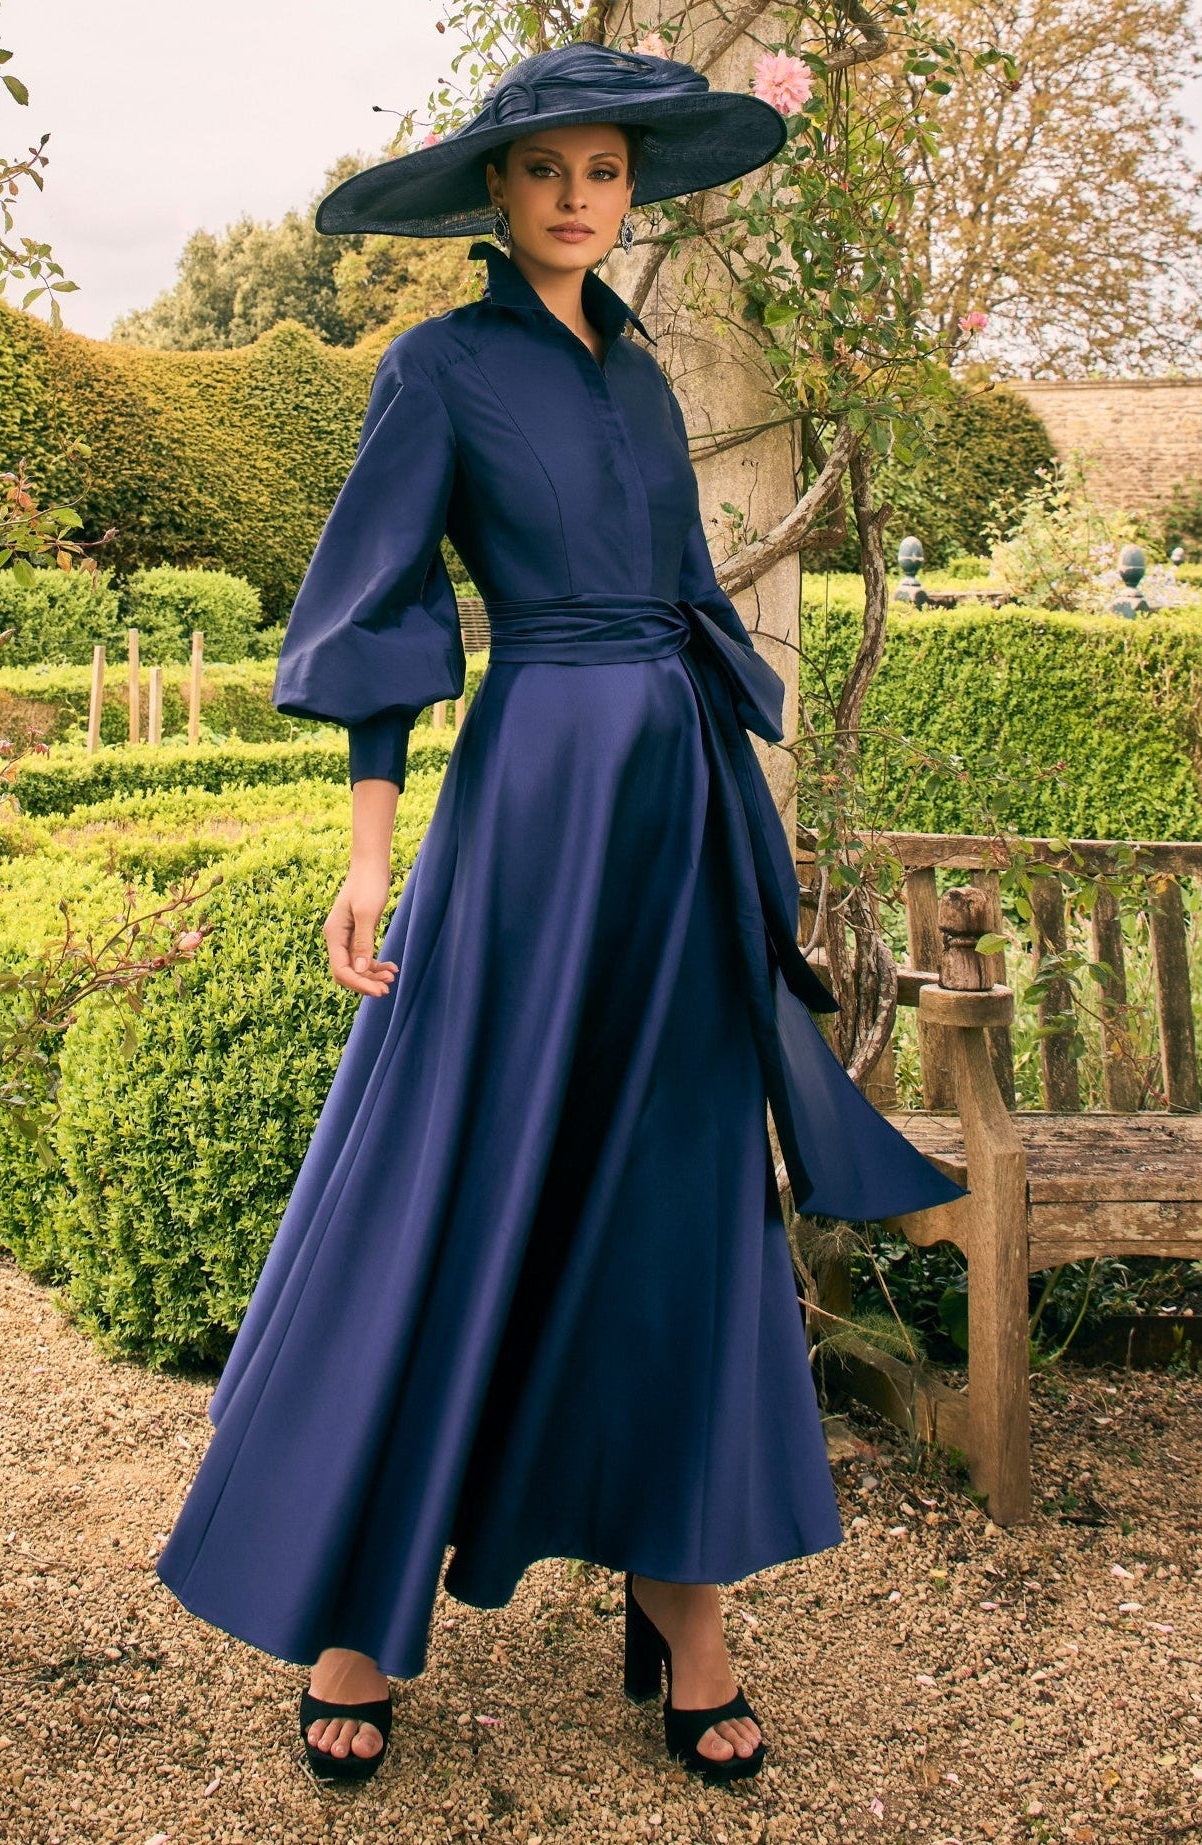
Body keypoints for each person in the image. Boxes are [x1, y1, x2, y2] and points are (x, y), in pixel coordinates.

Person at [155, 38, 966, 1790]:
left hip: (672, 810)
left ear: (628, 188)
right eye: (548, 171)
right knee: (449, 1168)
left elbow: (684, 595)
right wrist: (371, 858)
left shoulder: (652, 379)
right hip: (529, 808)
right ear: (498, 195)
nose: (581, 195)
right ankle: (358, 1610)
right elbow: (381, 624)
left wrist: (736, 808)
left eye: (605, 170)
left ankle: (685, 1609)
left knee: (677, 1186)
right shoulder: (434, 370)